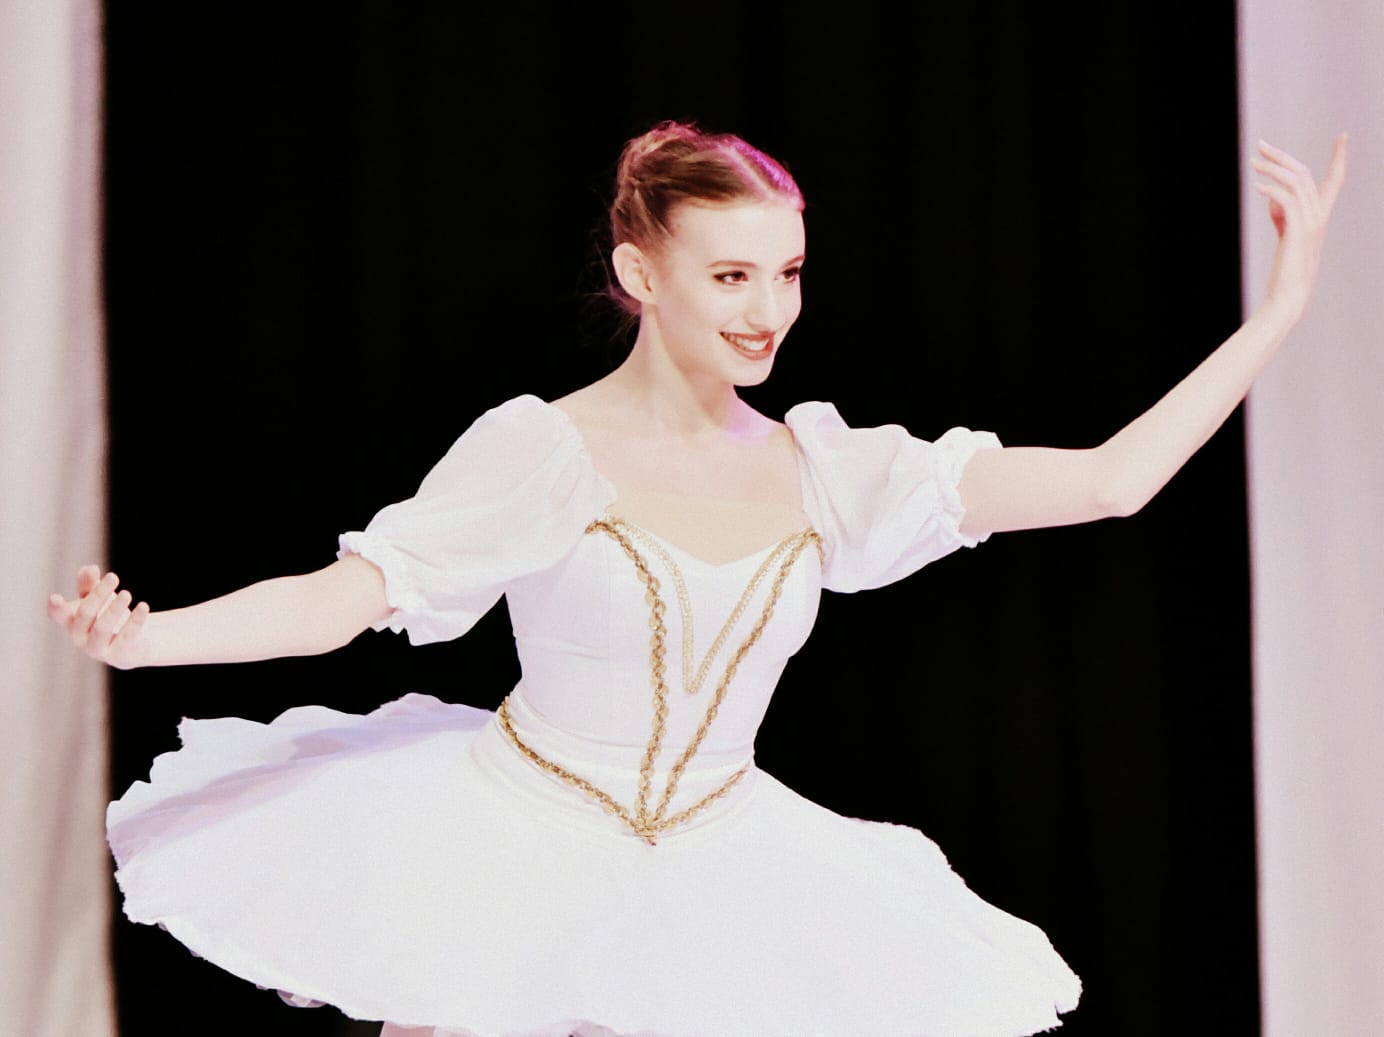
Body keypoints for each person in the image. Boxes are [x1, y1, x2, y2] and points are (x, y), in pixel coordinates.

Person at [50, 121, 1346, 1037]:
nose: (767, 307)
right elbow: (349, 593)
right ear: (640, 274)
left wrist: (1280, 313)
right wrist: (148, 639)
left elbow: (1114, 479)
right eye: (731, 275)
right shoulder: (545, 449)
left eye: (787, 272)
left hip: (721, 874)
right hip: (517, 849)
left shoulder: (828, 471)